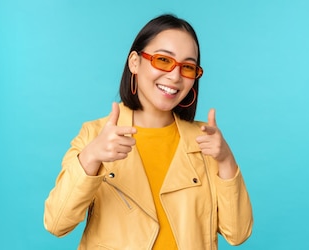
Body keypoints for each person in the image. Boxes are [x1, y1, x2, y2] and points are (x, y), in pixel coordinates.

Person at [44, 14, 253, 249]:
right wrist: (91, 156)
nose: (175, 76)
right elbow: (56, 223)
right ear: (134, 61)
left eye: (187, 67)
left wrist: (226, 159)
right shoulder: (94, 135)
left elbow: (238, 233)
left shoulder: (205, 142)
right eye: (163, 60)